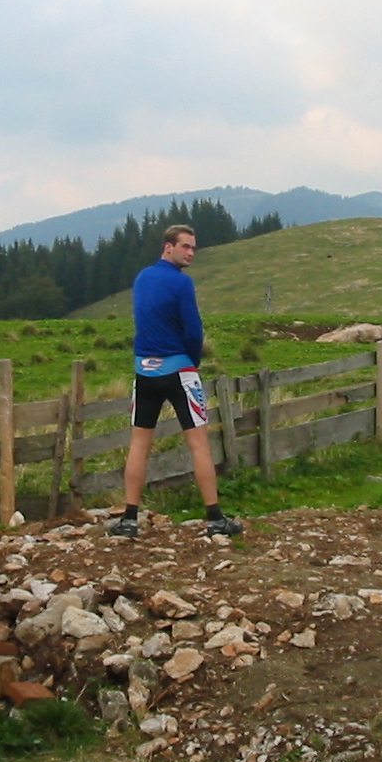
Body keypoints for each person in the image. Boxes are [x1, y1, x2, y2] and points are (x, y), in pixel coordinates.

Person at [114, 224, 243, 539]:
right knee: (198, 444)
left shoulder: (142, 278)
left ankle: (129, 519)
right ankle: (215, 518)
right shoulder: (182, 283)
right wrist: (192, 362)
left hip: (144, 371)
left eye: (193, 248)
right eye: (185, 246)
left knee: (139, 444)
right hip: (179, 370)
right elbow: (193, 330)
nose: (191, 253)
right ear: (168, 246)